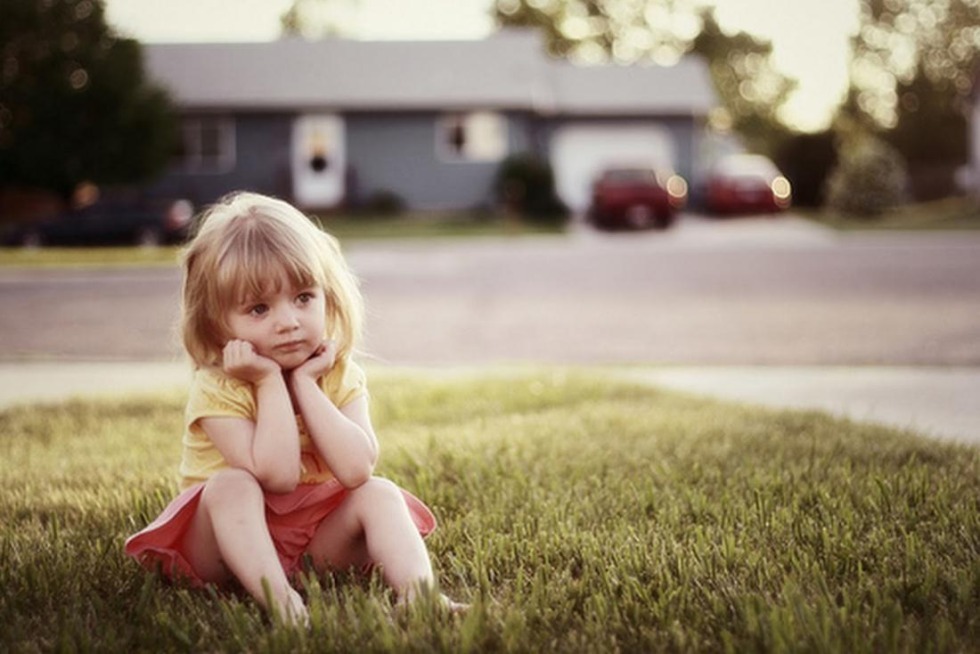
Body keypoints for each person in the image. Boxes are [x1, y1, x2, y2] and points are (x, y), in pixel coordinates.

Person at [125, 191, 458, 625]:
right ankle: (282, 603)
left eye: (303, 298)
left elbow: (358, 469)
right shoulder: (219, 386)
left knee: (380, 493)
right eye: (259, 308)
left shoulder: (336, 373)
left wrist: (305, 384)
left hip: (311, 544)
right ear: (216, 323)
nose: (288, 321)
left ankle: (422, 598)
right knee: (230, 486)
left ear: (328, 296)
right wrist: (267, 381)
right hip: (228, 547)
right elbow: (277, 476)